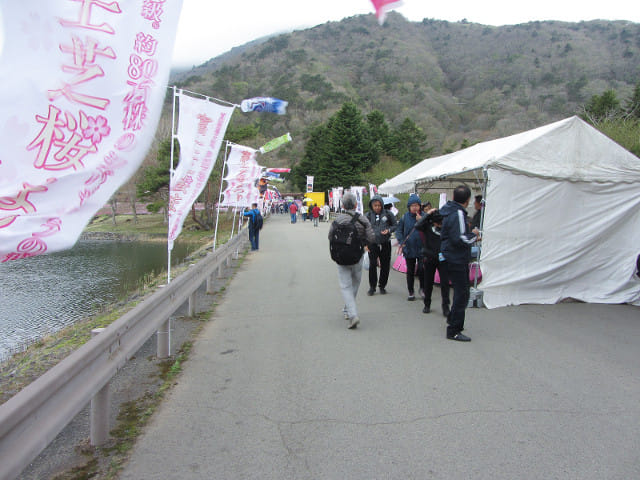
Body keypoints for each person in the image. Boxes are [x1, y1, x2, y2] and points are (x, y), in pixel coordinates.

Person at [328, 192, 375, 329]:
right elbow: (371, 238)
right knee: (355, 283)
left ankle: (352, 313)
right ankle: (349, 311)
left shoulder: (338, 219)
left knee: (345, 286)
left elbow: (330, 236)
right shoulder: (362, 219)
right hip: (357, 256)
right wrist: (363, 243)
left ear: (342, 205)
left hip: (341, 257)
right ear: (355, 204)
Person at [439, 185, 480, 342]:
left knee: (459, 291)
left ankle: (452, 318)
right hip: (456, 257)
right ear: (468, 200)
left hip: (449, 255)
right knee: (462, 293)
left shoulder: (449, 210)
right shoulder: (458, 213)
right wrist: (474, 236)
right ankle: (454, 330)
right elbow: (460, 238)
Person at [415, 208, 450, 316]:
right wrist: (428, 214)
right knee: (428, 282)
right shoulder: (427, 226)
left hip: (443, 258)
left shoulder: (446, 227)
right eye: (437, 223)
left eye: (441, 223)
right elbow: (417, 226)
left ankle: (445, 307)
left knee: (445, 284)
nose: (439, 225)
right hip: (429, 257)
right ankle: (427, 304)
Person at [365, 194, 397, 295]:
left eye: (379, 205)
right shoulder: (368, 215)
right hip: (372, 243)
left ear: (382, 205)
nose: (377, 207)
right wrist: (365, 244)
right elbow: (363, 230)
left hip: (385, 243)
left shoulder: (388, 214)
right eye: (375, 205)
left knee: (385, 265)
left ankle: (382, 285)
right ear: (372, 206)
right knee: (372, 265)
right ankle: (372, 287)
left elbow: (395, 225)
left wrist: (389, 230)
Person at [395, 194, 424, 301]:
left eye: (417, 205)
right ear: (409, 206)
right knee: (410, 271)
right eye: (412, 205)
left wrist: (421, 220)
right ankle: (411, 291)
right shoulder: (405, 217)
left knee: (422, 269)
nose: (415, 207)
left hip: (422, 248)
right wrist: (402, 242)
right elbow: (399, 231)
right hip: (409, 248)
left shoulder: (424, 216)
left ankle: (422, 288)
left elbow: (429, 230)